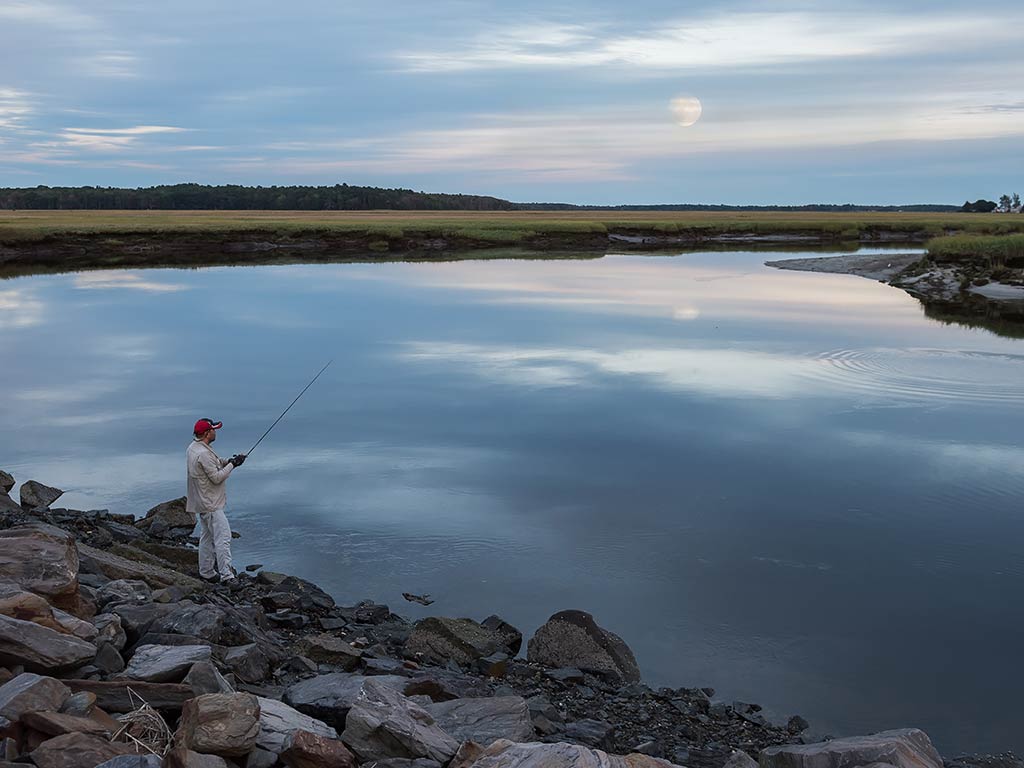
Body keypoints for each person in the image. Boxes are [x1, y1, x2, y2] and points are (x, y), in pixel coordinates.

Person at [186, 418, 246, 584]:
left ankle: (206, 572)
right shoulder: (203, 454)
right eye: (213, 430)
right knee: (223, 538)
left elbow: (215, 463)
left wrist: (230, 461)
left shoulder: (194, 447)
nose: (215, 432)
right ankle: (227, 576)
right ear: (206, 433)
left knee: (206, 537)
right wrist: (233, 466)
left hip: (201, 502)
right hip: (210, 504)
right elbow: (217, 478)